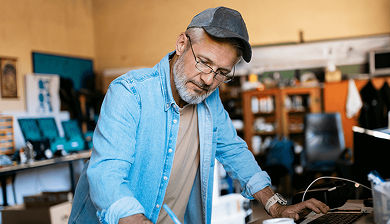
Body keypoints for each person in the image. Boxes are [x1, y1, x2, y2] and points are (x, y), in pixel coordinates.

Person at [69, 6, 329, 224]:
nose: (208, 79)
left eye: (221, 73)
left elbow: (233, 151)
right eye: (204, 62)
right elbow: (106, 174)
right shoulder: (130, 93)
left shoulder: (209, 100)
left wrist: (275, 205)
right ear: (182, 44)